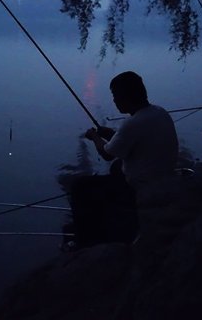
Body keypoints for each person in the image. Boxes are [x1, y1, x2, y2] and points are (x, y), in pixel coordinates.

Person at [65, 71, 179, 250]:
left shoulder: (132, 124)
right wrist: (109, 133)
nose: (114, 101)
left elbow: (107, 154)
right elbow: (128, 139)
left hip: (143, 185)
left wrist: (94, 136)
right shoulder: (158, 112)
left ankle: (82, 240)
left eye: (116, 96)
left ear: (127, 97)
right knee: (118, 167)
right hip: (164, 175)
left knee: (80, 187)